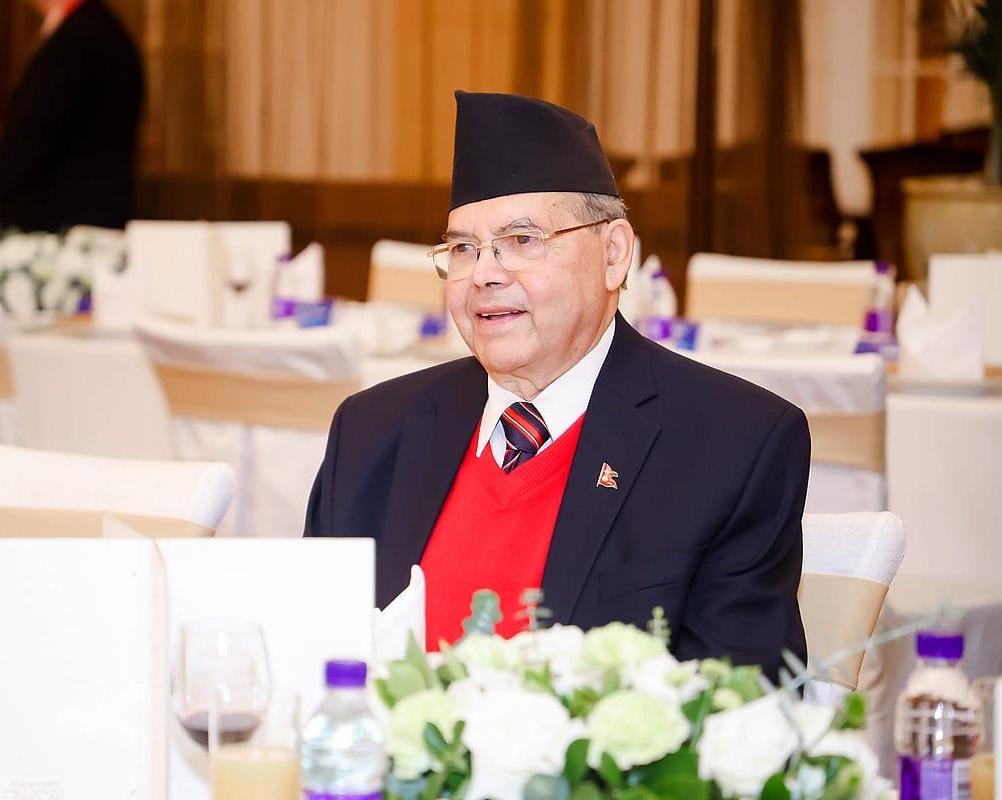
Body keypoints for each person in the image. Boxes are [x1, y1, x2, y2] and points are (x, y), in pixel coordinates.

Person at [305, 91, 809, 676]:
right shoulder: (371, 432)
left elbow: (740, 706)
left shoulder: (734, 445)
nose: (484, 275)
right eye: (463, 249)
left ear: (614, 254)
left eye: (522, 241)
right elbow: (306, 656)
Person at [0, 0, 143, 233]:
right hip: (79, 217)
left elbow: (32, 129)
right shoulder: (91, 28)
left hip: (71, 221)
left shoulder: (80, 37)